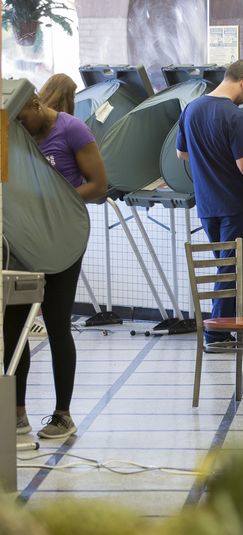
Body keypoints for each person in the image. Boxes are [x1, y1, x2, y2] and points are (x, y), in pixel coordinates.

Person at [8, 77, 108, 438]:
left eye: (22, 120)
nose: (21, 128)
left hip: (64, 239)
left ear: (35, 104)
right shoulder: (12, 134)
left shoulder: (72, 130)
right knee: (14, 328)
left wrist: (56, 205)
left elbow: (98, 185)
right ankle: (16, 414)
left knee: (57, 324)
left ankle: (62, 414)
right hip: (21, 243)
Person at [176, 59, 243, 351]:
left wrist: (208, 160)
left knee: (229, 267)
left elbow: (181, 154)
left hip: (207, 205)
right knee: (231, 271)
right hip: (235, 204)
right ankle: (216, 334)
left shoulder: (192, 109)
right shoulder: (235, 117)